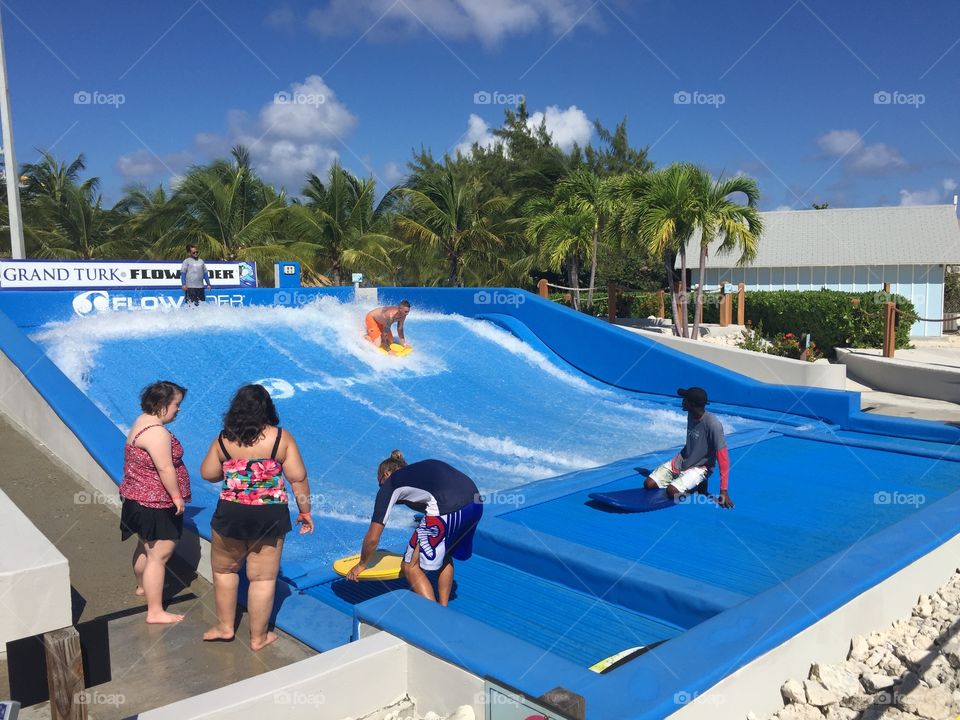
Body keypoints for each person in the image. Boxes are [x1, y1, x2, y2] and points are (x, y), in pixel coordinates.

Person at [200, 384, 313, 650]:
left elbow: (208, 473)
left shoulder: (223, 440)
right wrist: (305, 511)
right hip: (269, 514)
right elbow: (297, 478)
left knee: (224, 570)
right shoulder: (280, 438)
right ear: (267, 409)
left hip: (231, 513)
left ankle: (226, 627)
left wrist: (232, 468)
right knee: (262, 578)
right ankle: (258, 637)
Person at [347, 451, 483, 606]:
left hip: (448, 509)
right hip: (476, 502)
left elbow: (373, 538)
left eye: (380, 483)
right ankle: (443, 607)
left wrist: (362, 564)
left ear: (386, 474)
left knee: (410, 566)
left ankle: (434, 618)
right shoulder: (420, 471)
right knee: (446, 553)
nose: (380, 487)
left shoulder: (391, 484)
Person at [119, 381, 192, 624]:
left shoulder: (141, 421)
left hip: (136, 499)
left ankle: (142, 587)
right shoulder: (157, 433)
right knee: (159, 556)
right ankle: (155, 611)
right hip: (155, 503)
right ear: (162, 405)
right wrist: (177, 497)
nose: (178, 410)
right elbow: (164, 467)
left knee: (145, 548)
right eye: (176, 405)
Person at [644, 387, 734, 508]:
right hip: (682, 460)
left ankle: (696, 483)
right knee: (648, 484)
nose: (682, 401)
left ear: (692, 404)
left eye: (684, 399)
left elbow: (724, 459)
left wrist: (723, 491)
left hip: (701, 467)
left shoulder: (713, 425)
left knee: (672, 491)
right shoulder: (690, 414)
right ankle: (689, 481)